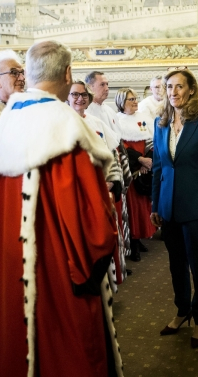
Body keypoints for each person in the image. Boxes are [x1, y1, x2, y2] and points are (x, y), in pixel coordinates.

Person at [0, 41, 123, 376]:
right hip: (63, 271)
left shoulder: (4, 125)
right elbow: (92, 228)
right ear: (67, 73)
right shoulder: (67, 127)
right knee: (68, 350)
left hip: (13, 268)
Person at [150, 68, 198, 348]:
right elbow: (158, 167)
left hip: (196, 207)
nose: (173, 92)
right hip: (167, 207)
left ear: (191, 89)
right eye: (169, 87)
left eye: (179, 87)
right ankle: (183, 311)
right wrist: (156, 204)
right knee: (175, 265)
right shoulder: (161, 122)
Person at [68, 80, 129, 287]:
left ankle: (109, 284)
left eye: (84, 95)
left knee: (106, 237)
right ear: (67, 97)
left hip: (104, 190)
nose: (80, 98)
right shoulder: (63, 123)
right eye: (75, 94)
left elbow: (112, 154)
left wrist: (111, 182)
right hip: (78, 194)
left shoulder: (97, 123)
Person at [116, 88, 157, 262]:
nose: (134, 102)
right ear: (121, 102)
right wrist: (139, 160)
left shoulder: (143, 119)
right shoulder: (117, 121)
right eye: (130, 99)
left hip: (144, 170)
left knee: (143, 208)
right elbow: (121, 148)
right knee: (131, 210)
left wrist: (147, 161)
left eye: (135, 98)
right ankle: (133, 244)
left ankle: (139, 240)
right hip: (130, 171)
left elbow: (151, 143)